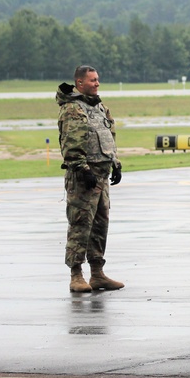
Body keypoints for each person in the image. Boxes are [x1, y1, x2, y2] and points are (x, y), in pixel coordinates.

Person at [56, 65, 124, 293]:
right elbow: (71, 142)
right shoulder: (73, 109)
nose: (97, 83)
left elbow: (108, 136)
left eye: (98, 80)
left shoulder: (100, 107)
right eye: (92, 80)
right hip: (83, 176)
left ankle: (97, 273)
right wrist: (81, 168)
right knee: (80, 224)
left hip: (102, 176)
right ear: (79, 83)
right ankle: (76, 274)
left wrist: (115, 162)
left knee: (100, 225)